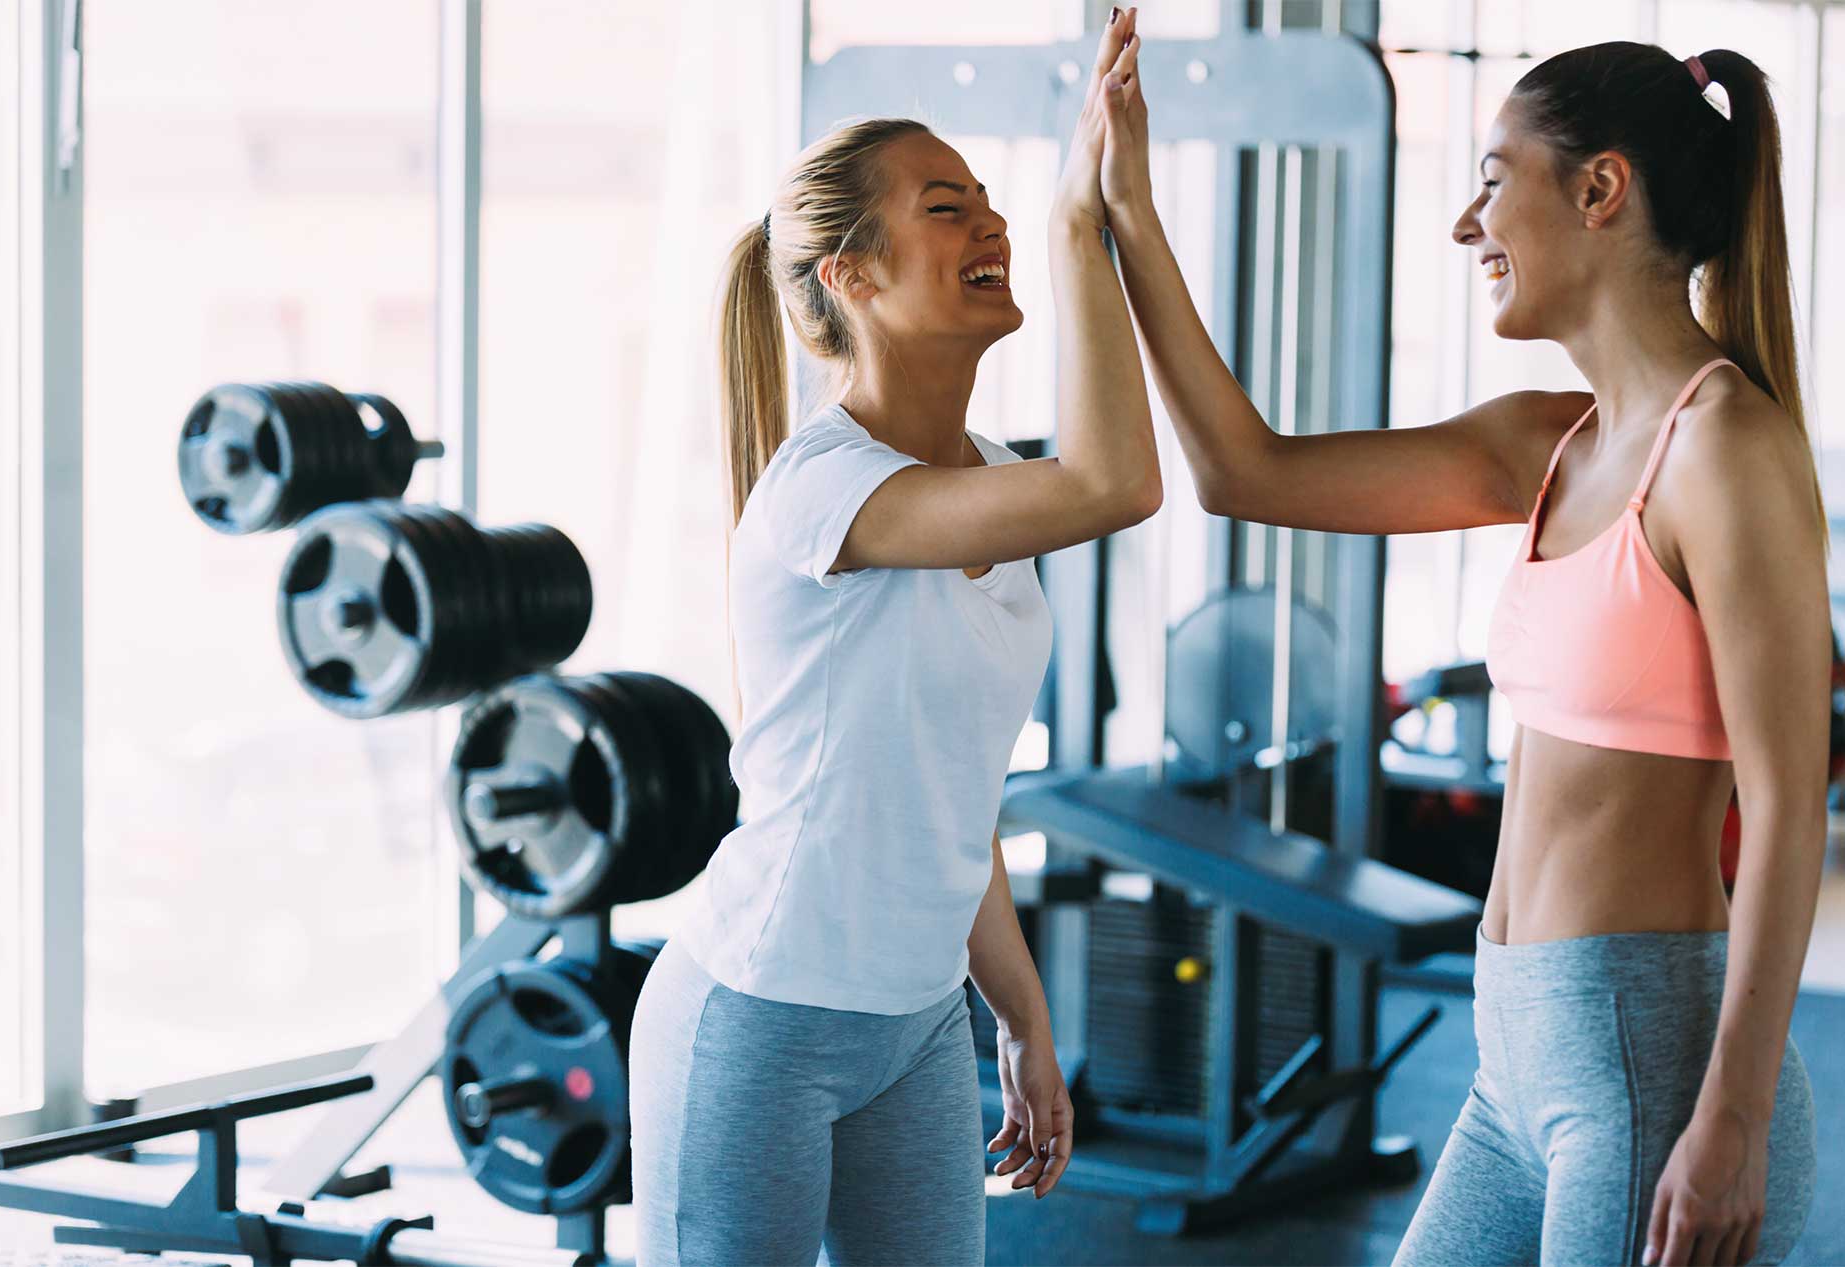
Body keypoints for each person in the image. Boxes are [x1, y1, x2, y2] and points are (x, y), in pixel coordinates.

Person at [1100, 31, 1823, 1267]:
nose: (1463, 222)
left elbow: (1790, 806)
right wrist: (1128, 212)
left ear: (1600, 190)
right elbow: (1242, 471)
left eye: (1493, 178)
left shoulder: (1724, 453)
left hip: (1647, 1069)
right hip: (1516, 1061)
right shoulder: (1555, 441)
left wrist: (1734, 1121)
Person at [627, 12, 1160, 1266]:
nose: (991, 224)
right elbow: (1118, 484)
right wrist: (1090, 222)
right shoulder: (824, 488)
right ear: (852, 278)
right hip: (758, 1013)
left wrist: (1022, 1022)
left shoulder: (988, 472)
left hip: (918, 1020)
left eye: (989, 200)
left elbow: (951, 801)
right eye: (944, 206)